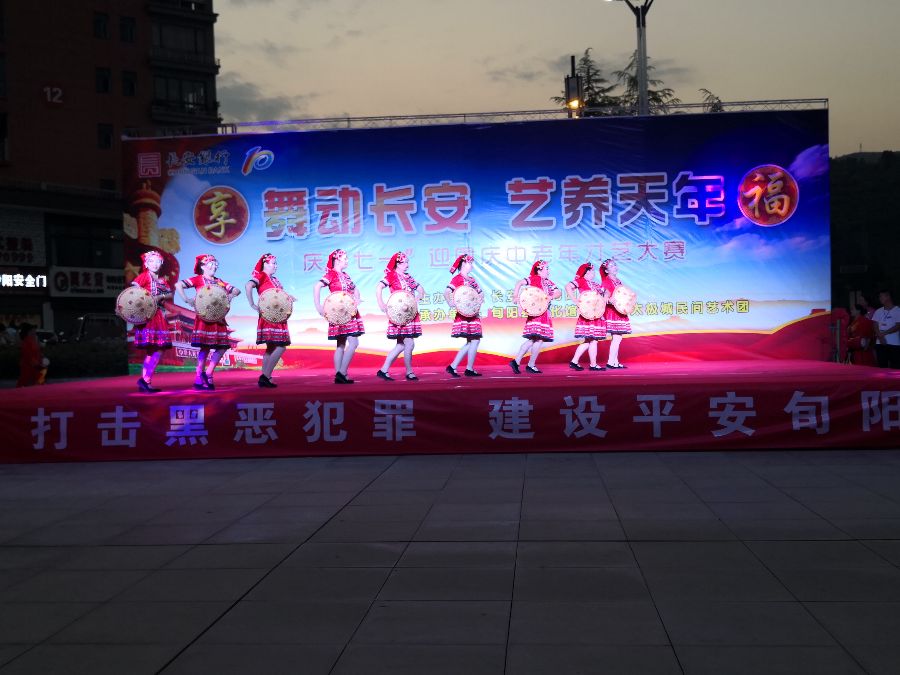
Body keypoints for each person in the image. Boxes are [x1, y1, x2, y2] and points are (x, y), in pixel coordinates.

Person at [176, 254, 241, 390]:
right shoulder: (198, 279)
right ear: (203, 266)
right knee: (205, 347)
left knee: (222, 347)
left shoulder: (219, 281)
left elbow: (237, 290)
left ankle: (209, 373)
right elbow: (179, 284)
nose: (214, 267)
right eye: (210, 264)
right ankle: (198, 378)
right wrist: (186, 299)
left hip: (218, 318)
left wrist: (231, 295)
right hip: (205, 317)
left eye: (215, 264)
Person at [313, 249, 364, 384]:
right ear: (337, 260)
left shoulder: (346, 275)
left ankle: (339, 375)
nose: (347, 261)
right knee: (353, 342)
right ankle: (342, 372)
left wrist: (357, 299)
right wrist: (318, 306)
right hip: (338, 311)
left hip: (349, 311)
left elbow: (355, 289)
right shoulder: (331, 274)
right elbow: (317, 286)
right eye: (345, 258)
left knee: (341, 344)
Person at [246, 253, 293, 388]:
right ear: (265, 264)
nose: (275, 266)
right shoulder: (261, 276)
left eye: (276, 263)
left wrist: (288, 297)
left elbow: (277, 295)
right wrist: (252, 304)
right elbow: (248, 285)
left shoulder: (274, 279)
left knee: (270, 347)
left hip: (278, 315)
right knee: (281, 346)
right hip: (270, 316)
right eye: (273, 263)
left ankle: (266, 377)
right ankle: (265, 376)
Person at [376, 252, 424, 381]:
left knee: (401, 345)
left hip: (410, 313)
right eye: (405, 262)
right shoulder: (392, 275)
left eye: (408, 262)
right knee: (409, 343)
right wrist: (381, 303)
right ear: (398, 263)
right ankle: (409, 372)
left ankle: (383, 370)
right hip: (399, 314)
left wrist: (416, 299)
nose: (407, 264)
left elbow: (421, 290)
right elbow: (379, 287)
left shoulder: (408, 277)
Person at [132, 250, 173, 392]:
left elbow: (169, 294)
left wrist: (161, 297)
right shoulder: (144, 276)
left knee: (154, 350)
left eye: (157, 261)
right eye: (151, 261)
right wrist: (147, 298)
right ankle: (146, 380)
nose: (155, 264)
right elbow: (133, 292)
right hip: (149, 315)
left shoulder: (162, 280)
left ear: (161, 263)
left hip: (159, 315)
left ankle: (145, 381)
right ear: (146, 264)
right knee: (157, 349)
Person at [510, 260, 561, 374]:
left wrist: (551, 296)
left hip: (545, 312)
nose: (548, 271)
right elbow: (519, 283)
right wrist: (515, 296)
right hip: (537, 313)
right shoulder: (534, 278)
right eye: (546, 269)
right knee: (539, 339)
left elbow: (558, 293)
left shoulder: (549, 282)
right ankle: (530, 365)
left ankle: (516, 361)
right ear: (539, 270)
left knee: (534, 339)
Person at [444, 254, 484, 377]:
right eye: (470, 263)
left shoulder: (472, 280)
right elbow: (447, 292)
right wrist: (451, 302)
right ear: (463, 264)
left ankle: (456, 367)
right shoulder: (457, 278)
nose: (471, 265)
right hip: (464, 314)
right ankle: (464, 368)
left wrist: (479, 300)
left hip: (473, 313)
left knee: (473, 341)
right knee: (474, 340)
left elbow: (480, 293)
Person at [565, 262, 607, 371]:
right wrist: (575, 300)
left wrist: (605, 297)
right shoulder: (581, 281)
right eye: (592, 270)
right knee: (592, 340)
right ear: (587, 272)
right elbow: (568, 286)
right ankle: (592, 365)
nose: (594, 272)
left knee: (590, 340)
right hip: (588, 314)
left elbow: (606, 292)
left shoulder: (595, 284)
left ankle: (575, 362)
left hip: (596, 314)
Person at [600, 258, 631, 368]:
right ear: (606, 270)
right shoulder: (606, 281)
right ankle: (610, 362)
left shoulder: (618, 281)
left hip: (619, 311)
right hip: (612, 312)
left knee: (618, 337)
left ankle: (615, 362)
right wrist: (609, 300)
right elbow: (604, 298)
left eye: (615, 265)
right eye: (611, 266)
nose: (615, 267)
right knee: (617, 338)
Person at [873, 289, 900, 369]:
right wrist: (880, 337)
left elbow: (898, 326)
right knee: (882, 366)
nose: (880, 298)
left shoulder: (897, 310)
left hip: (894, 343)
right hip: (880, 342)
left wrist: (884, 333)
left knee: (895, 367)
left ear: (888, 296)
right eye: (879, 297)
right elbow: (875, 324)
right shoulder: (878, 311)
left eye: (881, 296)